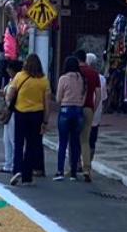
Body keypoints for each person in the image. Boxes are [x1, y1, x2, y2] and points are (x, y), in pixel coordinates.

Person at [7, 52, 47, 185]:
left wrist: (9, 103)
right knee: (31, 145)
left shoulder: (19, 76)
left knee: (19, 143)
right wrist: (45, 121)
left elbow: (10, 94)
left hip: (21, 113)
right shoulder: (43, 80)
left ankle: (17, 169)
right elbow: (47, 103)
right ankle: (27, 176)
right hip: (37, 115)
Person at [53, 53, 86, 181]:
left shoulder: (63, 79)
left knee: (63, 142)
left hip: (65, 110)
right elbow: (83, 95)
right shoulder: (81, 79)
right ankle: (73, 172)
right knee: (75, 142)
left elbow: (58, 98)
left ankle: (60, 170)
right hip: (78, 110)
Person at [80, 49, 103, 181]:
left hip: (77, 107)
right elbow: (99, 95)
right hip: (90, 108)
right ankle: (87, 168)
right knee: (86, 140)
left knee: (74, 139)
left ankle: (74, 166)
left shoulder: (76, 72)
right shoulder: (96, 75)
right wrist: (94, 107)